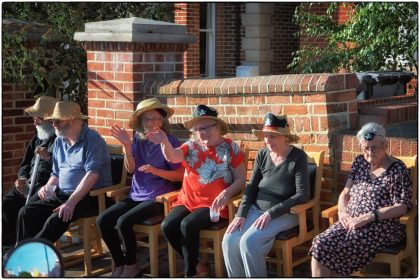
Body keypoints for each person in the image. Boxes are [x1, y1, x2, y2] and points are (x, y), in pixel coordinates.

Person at [147, 104, 246, 277]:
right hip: (187, 200)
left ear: (217, 127)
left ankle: (190, 273)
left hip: (214, 204)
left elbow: (241, 180)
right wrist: (164, 141)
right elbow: (172, 156)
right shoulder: (191, 146)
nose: (202, 132)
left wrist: (227, 193)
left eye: (206, 127)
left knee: (187, 225)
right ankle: (198, 264)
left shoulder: (230, 148)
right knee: (168, 226)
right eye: (198, 129)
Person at [309, 122, 412, 277]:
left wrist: (368, 217)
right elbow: (345, 192)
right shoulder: (359, 162)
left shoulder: (397, 169)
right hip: (350, 221)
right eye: (365, 148)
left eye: (374, 147)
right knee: (319, 243)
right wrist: (343, 212)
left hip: (380, 226)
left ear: (385, 145)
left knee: (339, 247)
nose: (369, 153)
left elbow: (402, 207)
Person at [96, 98, 184, 277]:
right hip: (136, 195)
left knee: (123, 222)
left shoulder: (170, 141)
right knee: (103, 221)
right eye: (147, 119)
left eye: (156, 118)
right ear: (140, 123)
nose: (152, 123)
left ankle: (132, 265)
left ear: (162, 121)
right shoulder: (138, 140)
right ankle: (120, 263)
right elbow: (130, 169)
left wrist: (156, 171)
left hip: (159, 197)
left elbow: (181, 175)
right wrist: (127, 146)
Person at [222, 113, 310, 277]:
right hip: (257, 210)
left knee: (249, 242)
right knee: (229, 240)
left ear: (285, 137)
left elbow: (303, 195)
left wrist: (271, 213)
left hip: (286, 213)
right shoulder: (263, 154)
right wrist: (241, 214)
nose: (268, 140)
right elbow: (251, 188)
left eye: (273, 136)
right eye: (266, 136)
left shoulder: (298, 157)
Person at [16, 101, 112, 244]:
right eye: (52, 121)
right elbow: (56, 173)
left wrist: (71, 203)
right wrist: (48, 187)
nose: (53, 124)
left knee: (54, 220)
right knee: (27, 212)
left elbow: (92, 175)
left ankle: (31, 258)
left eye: (57, 120)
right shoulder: (60, 140)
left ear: (72, 120)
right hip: (62, 193)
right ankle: (23, 254)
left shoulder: (92, 139)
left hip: (90, 196)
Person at [2, 96, 57, 249]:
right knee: (6, 203)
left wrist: (48, 157)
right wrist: (22, 178)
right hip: (28, 184)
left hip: (44, 188)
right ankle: (7, 245)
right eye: (34, 117)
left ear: (50, 119)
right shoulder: (37, 139)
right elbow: (25, 163)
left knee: (26, 212)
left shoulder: (60, 140)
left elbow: (63, 170)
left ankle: (24, 247)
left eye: (38, 117)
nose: (35, 121)